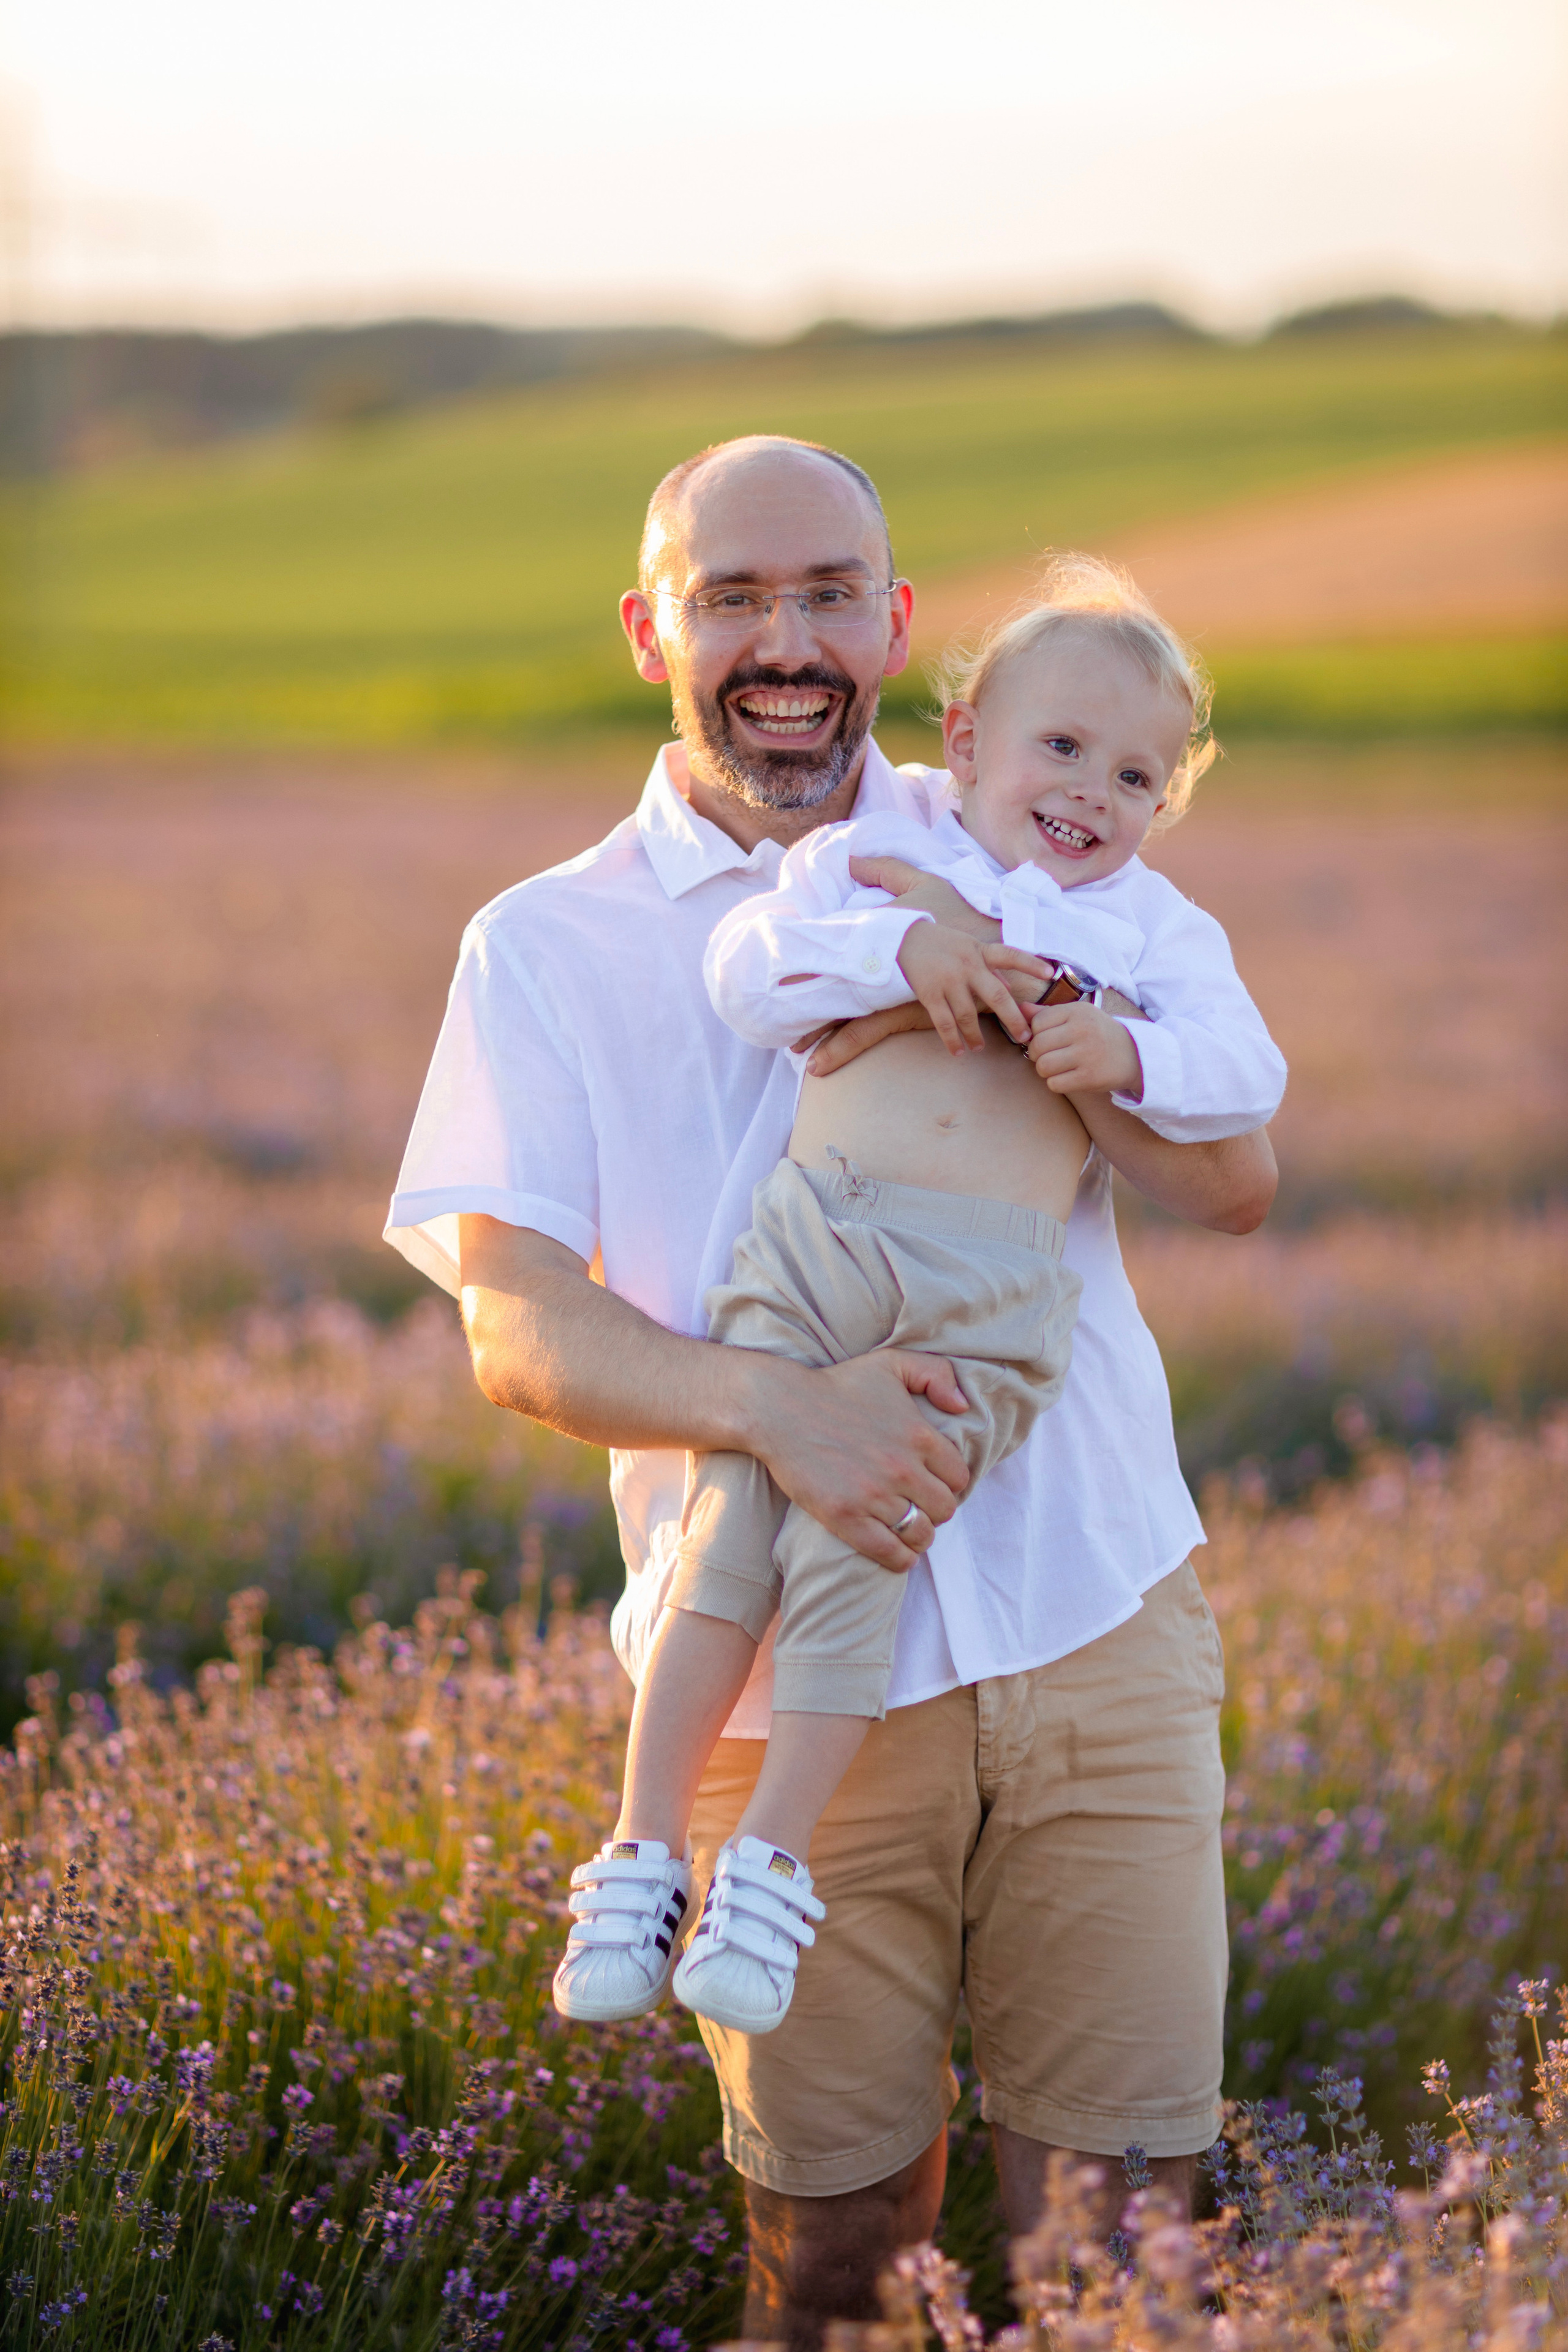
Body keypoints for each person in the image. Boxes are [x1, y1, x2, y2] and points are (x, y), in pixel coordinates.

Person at [385, 435, 1277, 2349]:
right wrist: (794, 1415)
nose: (781, 643)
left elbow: (1235, 1181)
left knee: (1120, 2232)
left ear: (894, 629)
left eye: (824, 597)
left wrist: (1070, 1029)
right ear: (653, 632)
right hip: (777, 1657)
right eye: (732, 599)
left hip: (1089, 1607)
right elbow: (513, 1329)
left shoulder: (1041, 841)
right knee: (847, 2249)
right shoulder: (540, 946)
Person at [549, 555, 1285, 2039]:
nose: (1088, 793)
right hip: (819, 1244)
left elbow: (1247, 1086)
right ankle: (637, 1852)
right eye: (1059, 749)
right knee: (726, 1539)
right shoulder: (882, 855)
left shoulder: (1144, 931)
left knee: (849, 1565)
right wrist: (907, 951)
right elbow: (750, 972)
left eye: (1134, 775)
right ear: (960, 742)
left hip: (979, 1305)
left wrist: (1123, 1059)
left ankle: (761, 1872)